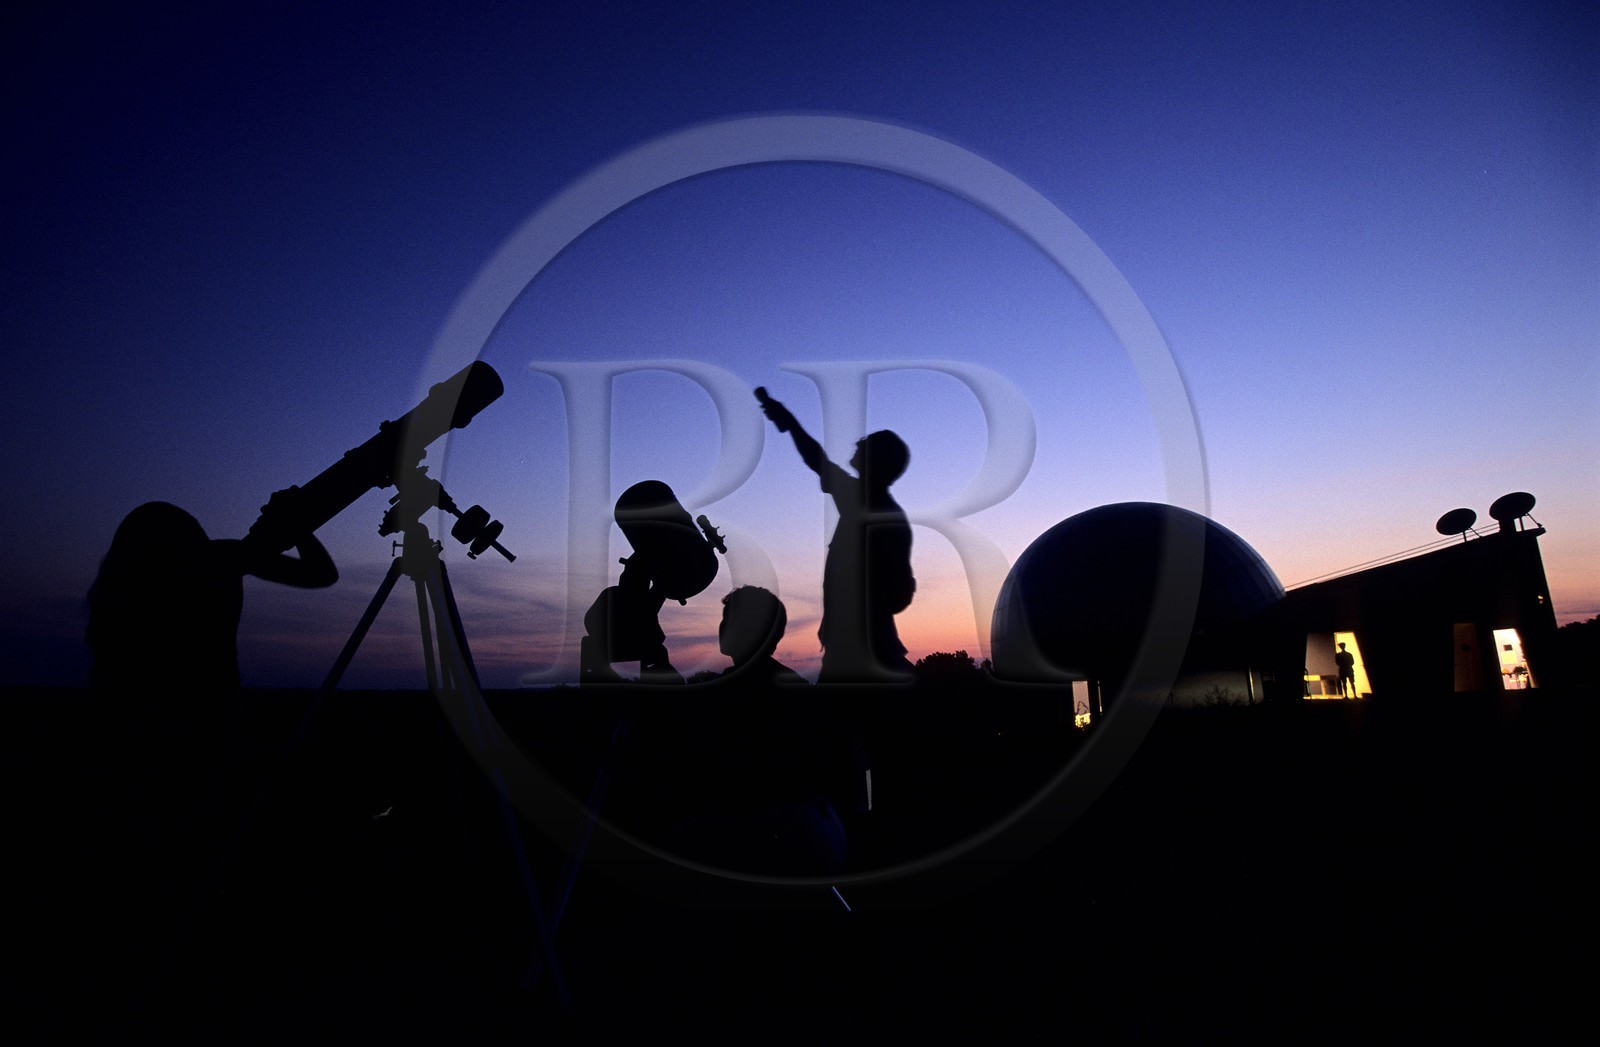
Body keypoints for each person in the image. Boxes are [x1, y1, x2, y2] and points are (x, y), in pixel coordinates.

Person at [756, 390, 916, 684]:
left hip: (859, 654)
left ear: (876, 461)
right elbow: (817, 460)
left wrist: (789, 421)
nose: (858, 443)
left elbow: (818, 460)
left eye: (866, 443)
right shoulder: (870, 504)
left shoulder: (868, 506)